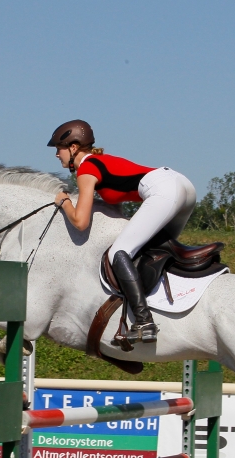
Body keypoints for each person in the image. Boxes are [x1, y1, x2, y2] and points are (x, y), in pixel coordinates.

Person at [48, 119, 196, 343]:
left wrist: (64, 202)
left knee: (118, 252)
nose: (57, 154)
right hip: (182, 185)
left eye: (59, 149)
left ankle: (144, 321)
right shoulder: (100, 161)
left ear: (73, 147)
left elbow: (80, 222)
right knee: (156, 250)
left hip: (164, 189)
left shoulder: (86, 169)